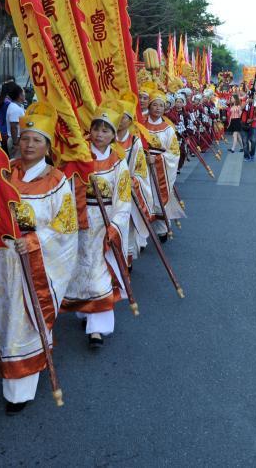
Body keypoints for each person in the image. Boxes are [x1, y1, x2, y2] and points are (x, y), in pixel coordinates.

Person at [0, 102, 78, 413]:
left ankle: (20, 387)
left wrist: (36, 240)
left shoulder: (56, 180)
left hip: (37, 262)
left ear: (48, 146)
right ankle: (8, 361)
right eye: (26, 138)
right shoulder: (4, 173)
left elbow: (66, 224)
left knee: (27, 320)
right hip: (5, 261)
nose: (29, 145)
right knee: (4, 315)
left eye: (37, 140)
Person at [62, 107, 133, 348]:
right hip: (79, 222)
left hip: (104, 224)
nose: (100, 134)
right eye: (96, 129)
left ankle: (98, 328)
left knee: (100, 271)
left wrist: (115, 225)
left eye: (105, 130)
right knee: (80, 268)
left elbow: (123, 197)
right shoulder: (78, 158)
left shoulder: (118, 163)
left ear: (113, 135)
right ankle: (85, 310)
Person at [112, 97, 154, 264]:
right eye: (118, 116)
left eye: (125, 117)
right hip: (109, 191)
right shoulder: (107, 137)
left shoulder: (135, 141)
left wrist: (133, 181)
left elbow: (140, 171)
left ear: (130, 120)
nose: (121, 120)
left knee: (126, 224)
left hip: (127, 189)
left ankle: (127, 258)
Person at [141, 90, 185, 241]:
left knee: (159, 198)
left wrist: (158, 159)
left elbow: (174, 152)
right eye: (155, 105)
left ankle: (162, 229)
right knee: (144, 198)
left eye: (161, 105)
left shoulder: (168, 128)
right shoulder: (141, 125)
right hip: (143, 167)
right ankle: (142, 234)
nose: (158, 108)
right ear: (150, 106)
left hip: (160, 168)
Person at [5, 84, 26, 157]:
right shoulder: (15, 109)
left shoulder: (18, 107)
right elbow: (13, 127)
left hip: (18, 140)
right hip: (16, 140)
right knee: (16, 165)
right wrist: (15, 143)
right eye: (23, 92)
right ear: (20, 95)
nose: (24, 94)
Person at [242, 94, 256, 162]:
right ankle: (246, 156)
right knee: (245, 142)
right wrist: (247, 102)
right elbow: (241, 108)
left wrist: (252, 120)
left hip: (253, 126)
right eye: (250, 96)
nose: (251, 98)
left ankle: (252, 155)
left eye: (252, 97)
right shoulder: (244, 100)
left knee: (253, 142)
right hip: (244, 125)